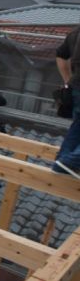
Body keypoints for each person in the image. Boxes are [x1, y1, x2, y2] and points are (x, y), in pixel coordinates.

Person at [53, 24, 80, 179]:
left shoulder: (75, 32)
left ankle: (62, 164)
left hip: (76, 87)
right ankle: (70, 161)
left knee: (78, 127)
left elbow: (61, 55)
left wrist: (68, 80)